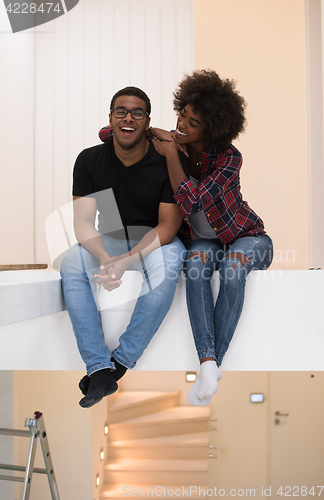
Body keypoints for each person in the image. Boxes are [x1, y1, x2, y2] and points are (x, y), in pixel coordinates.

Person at [150, 70, 274, 406]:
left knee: (233, 270)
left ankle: (211, 363)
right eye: (181, 114)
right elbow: (112, 133)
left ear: (212, 128)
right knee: (194, 267)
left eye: (193, 122)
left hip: (246, 237)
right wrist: (149, 129)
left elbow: (191, 202)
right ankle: (209, 365)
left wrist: (172, 154)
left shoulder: (229, 158)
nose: (182, 124)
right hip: (205, 242)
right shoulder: (172, 139)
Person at [60, 86, 186, 408]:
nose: (128, 118)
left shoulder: (163, 162)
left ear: (147, 121)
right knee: (72, 263)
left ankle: (117, 365)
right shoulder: (90, 160)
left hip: (156, 240)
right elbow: (83, 221)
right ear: (111, 118)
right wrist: (105, 258)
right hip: (112, 237)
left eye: (137, 113)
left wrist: (126, 260)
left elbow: (168, 225)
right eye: (121, 112)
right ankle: (97, 365)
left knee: (169, 268)